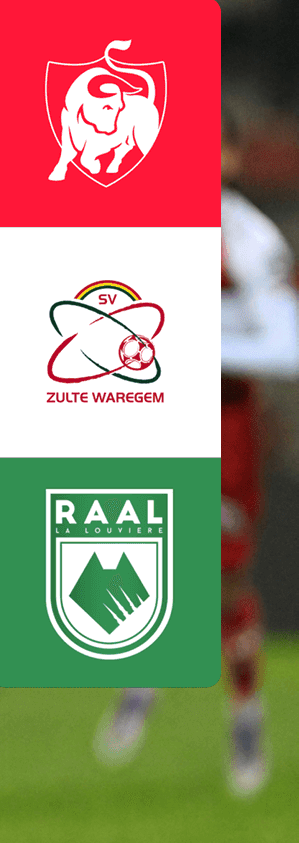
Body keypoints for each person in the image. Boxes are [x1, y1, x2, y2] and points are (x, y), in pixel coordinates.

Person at [93, 114, 297, 797]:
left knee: (225, 574)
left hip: (223, 419)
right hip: (149, 410)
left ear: (232, 157)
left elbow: (287, 347)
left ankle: (244, 711)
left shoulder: (250, 239)